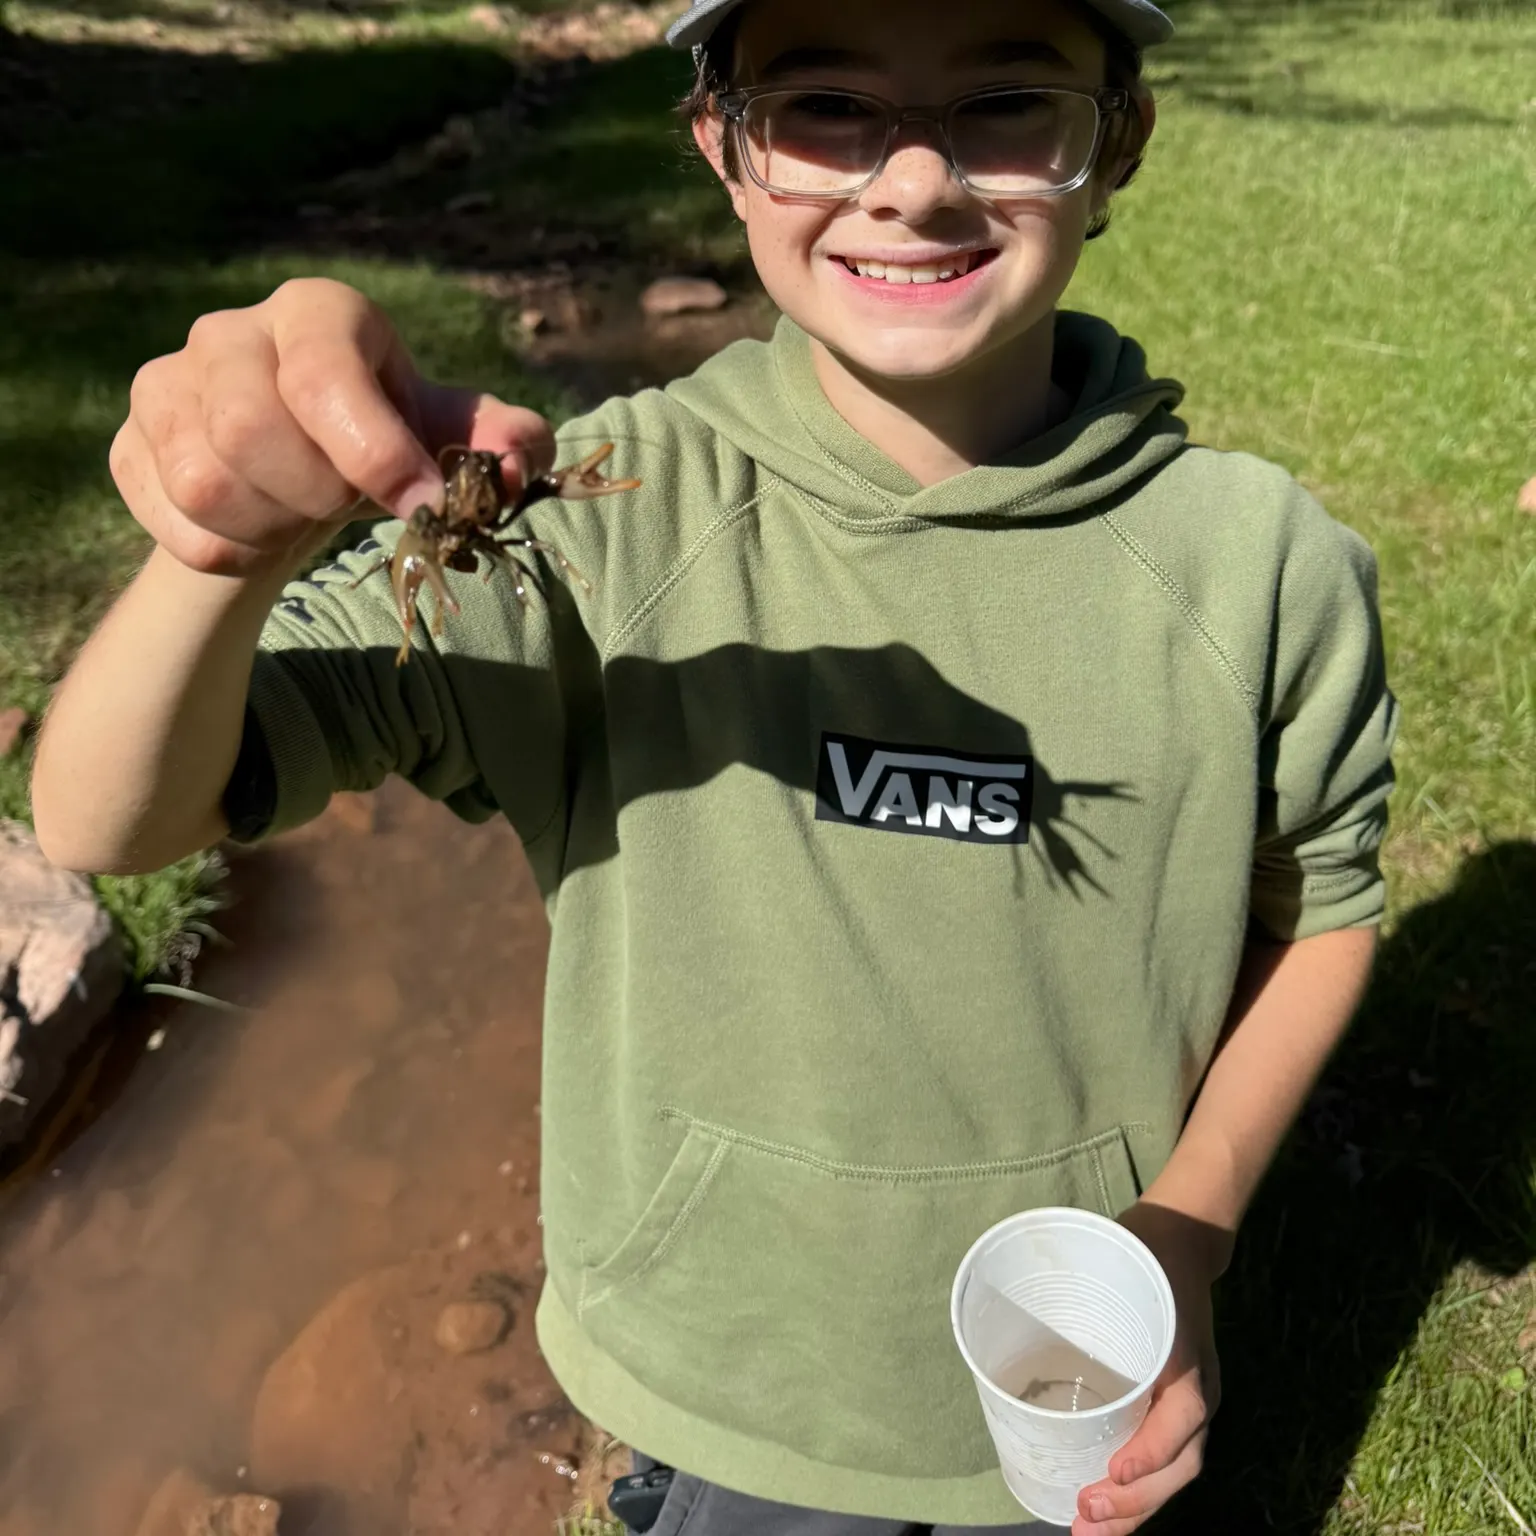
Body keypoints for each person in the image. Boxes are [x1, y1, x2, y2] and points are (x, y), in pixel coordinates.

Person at [31, 0, 1397, 1530]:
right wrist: (217, 555)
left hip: (1080, 1347)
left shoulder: (1263, 567)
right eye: (826, 106)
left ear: (1118, 141)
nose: (917, 182)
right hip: (727, 1377)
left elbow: (1324, 905)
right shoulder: (593, 530)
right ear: (724, 149)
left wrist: (1189, 1229)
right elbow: (105, 818)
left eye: (1010, 100)